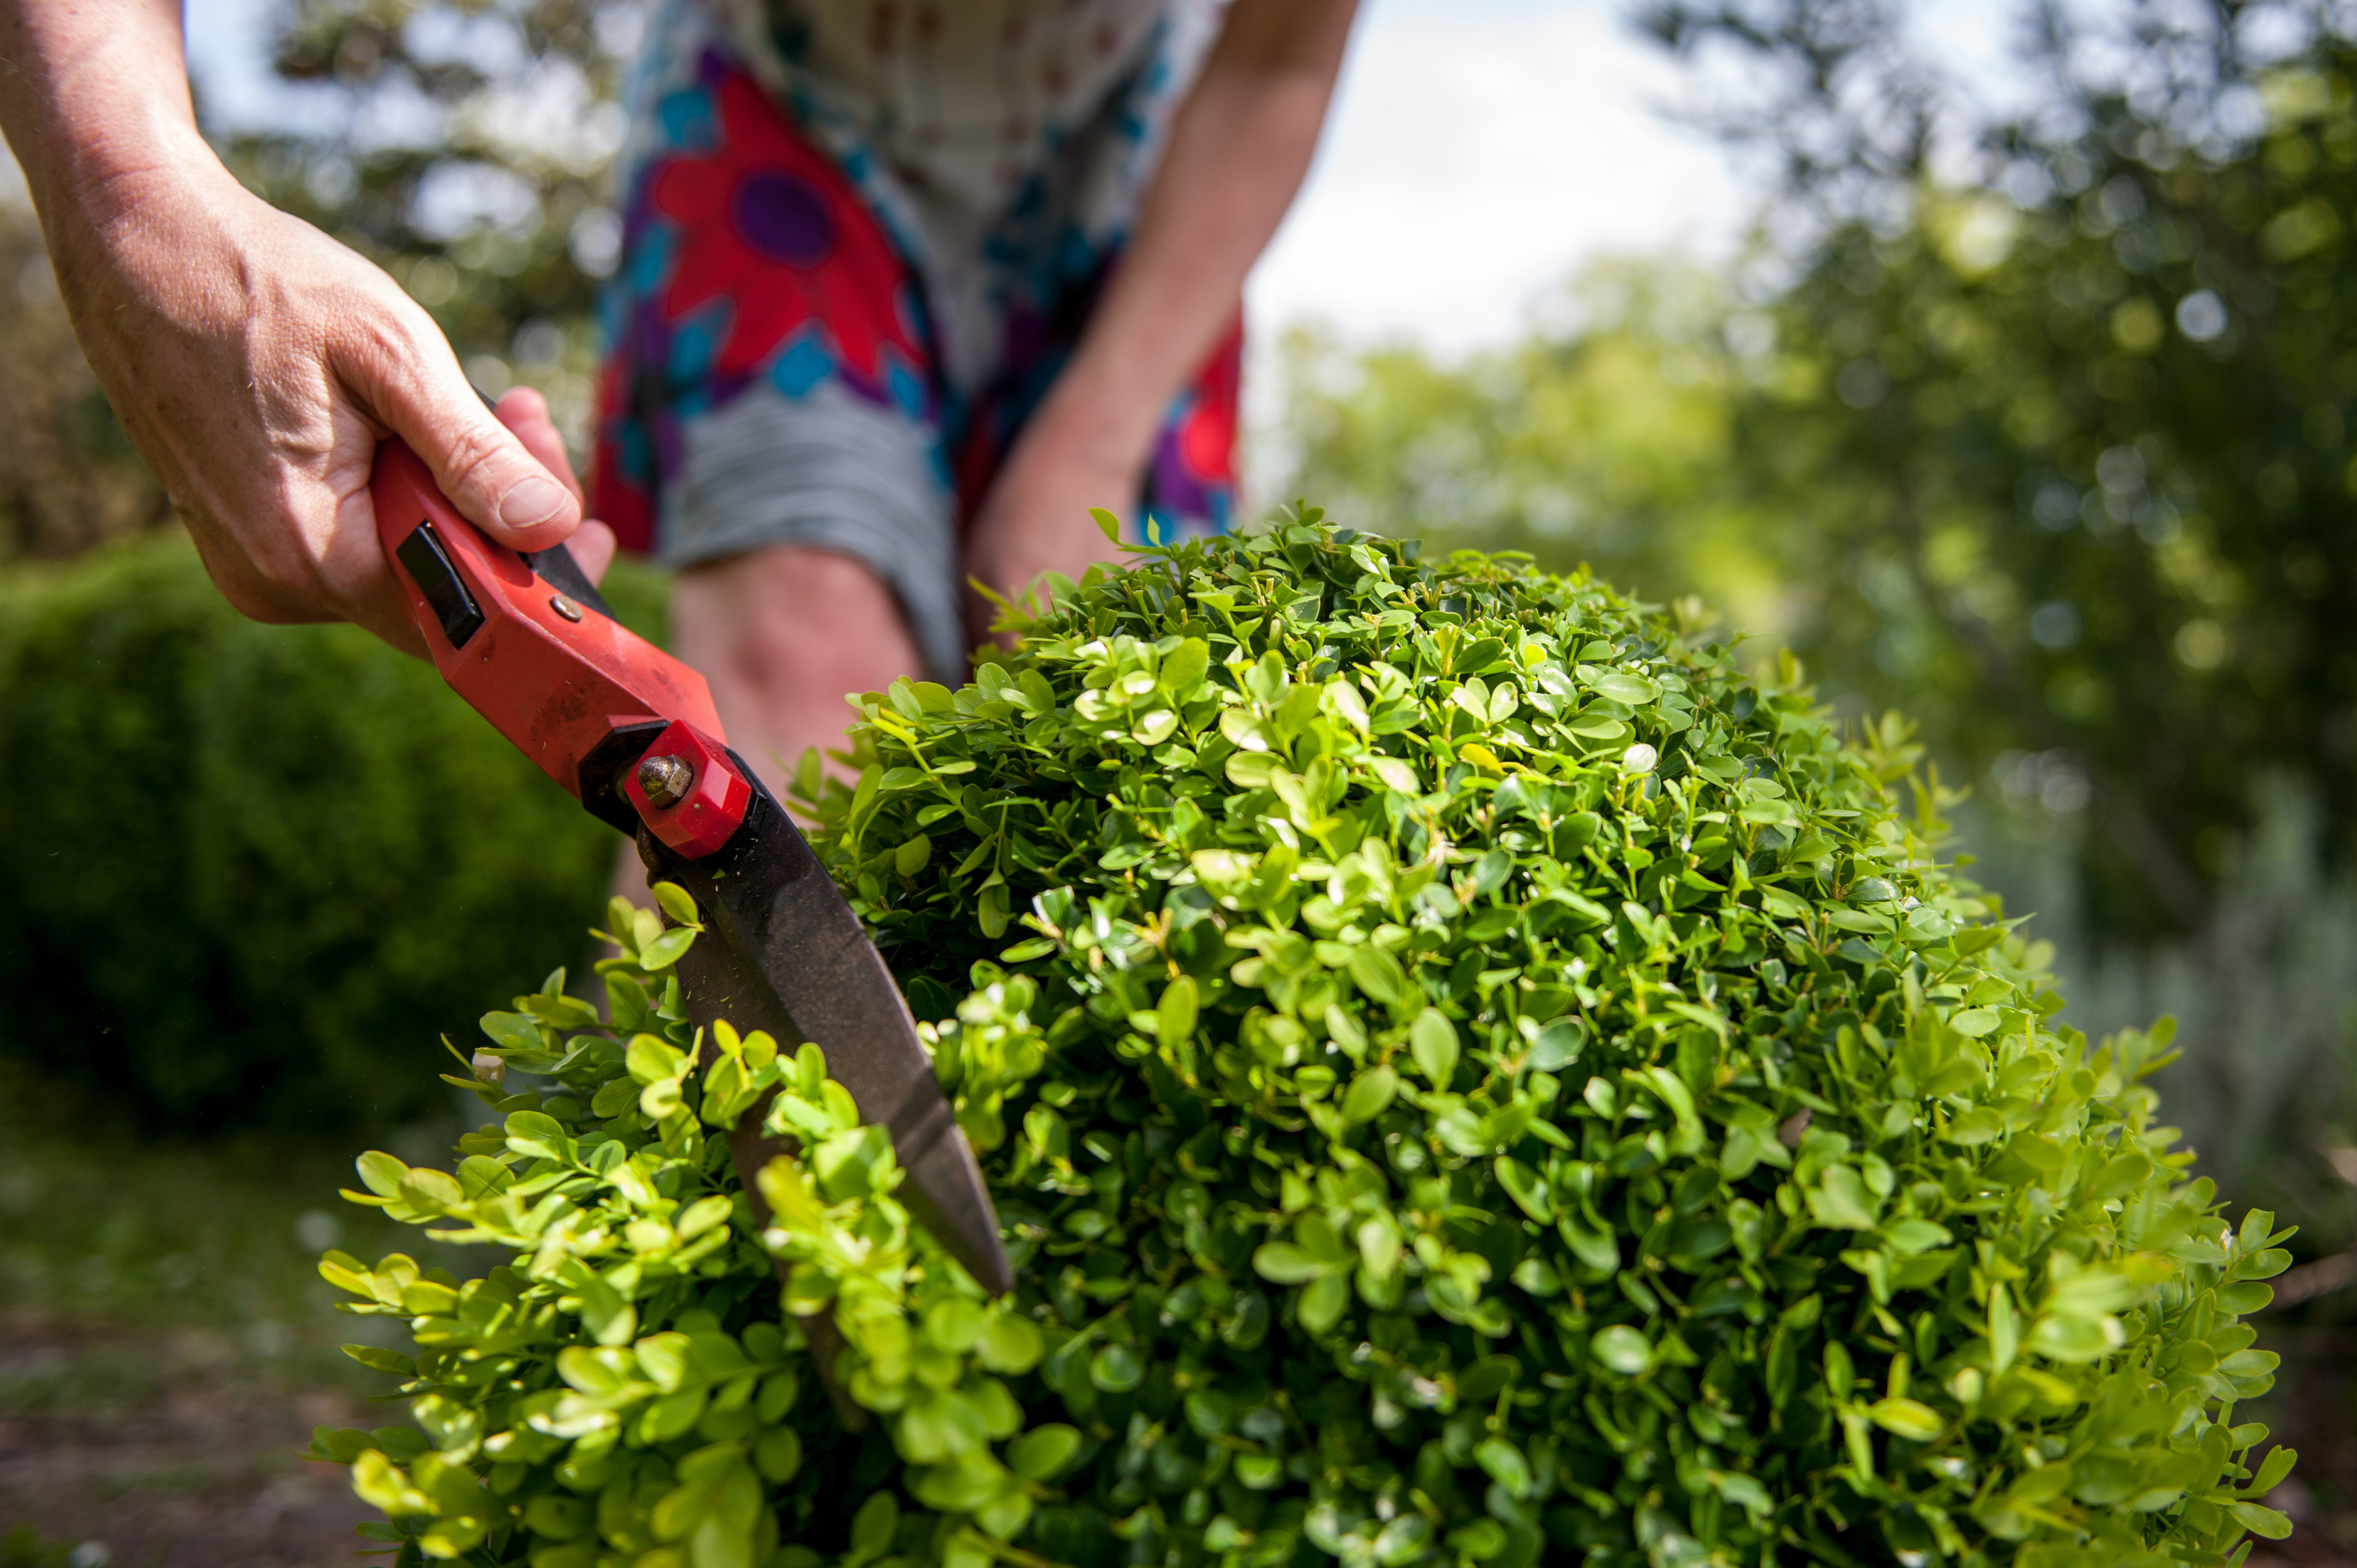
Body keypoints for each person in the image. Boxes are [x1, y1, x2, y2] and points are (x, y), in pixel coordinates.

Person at [0, 0, 1359, 819]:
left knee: (1103, 736)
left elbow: (1280, 61)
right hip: (781, 128)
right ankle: (754, 1268)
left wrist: (1095, 432)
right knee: (801, 669)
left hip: (1143, 186)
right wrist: (132, 196)